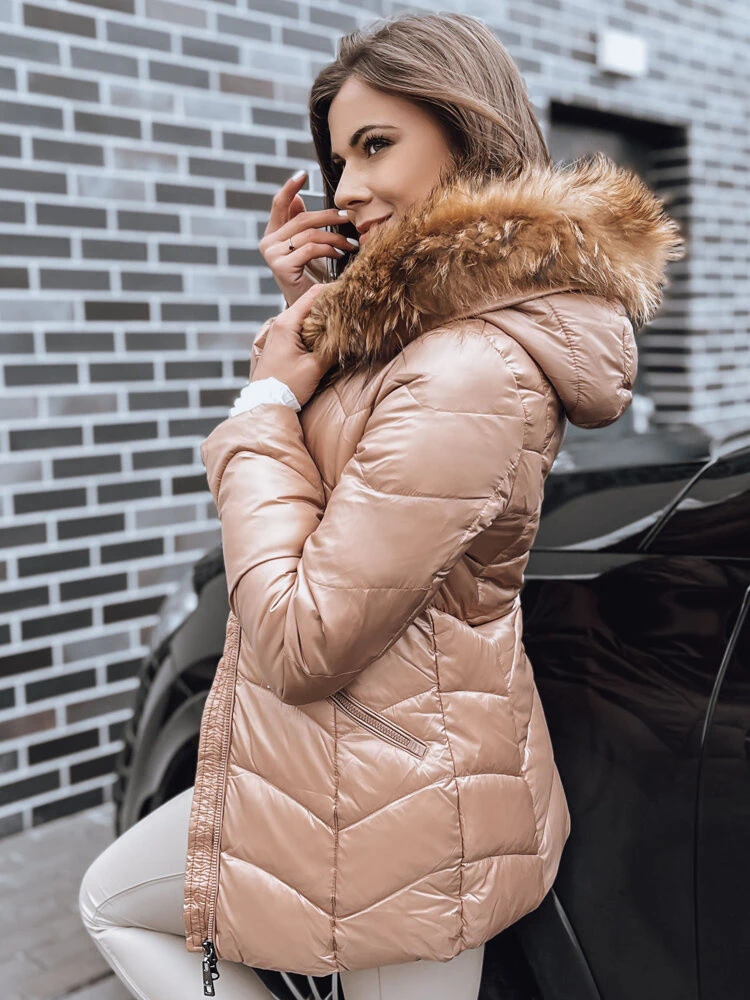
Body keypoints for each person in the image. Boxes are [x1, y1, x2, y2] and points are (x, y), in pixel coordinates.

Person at [78, 11, 683, 1000]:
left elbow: (304, 638)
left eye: (374, 145)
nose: (346, 187)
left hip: (402, 804)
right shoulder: (425, 341)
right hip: (337, 774)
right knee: (114, 898)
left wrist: (262, 408)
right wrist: (312, 313)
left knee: (117, 900)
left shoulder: (472, 365)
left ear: (469, 136)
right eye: (337, 158)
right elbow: (346, 483)